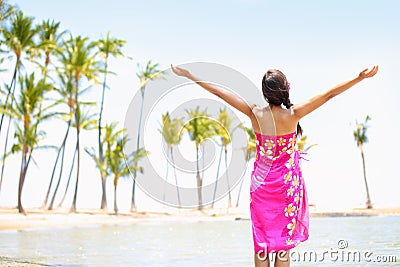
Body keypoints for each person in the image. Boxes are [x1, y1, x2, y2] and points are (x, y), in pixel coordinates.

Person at [171, 64, 378, 267]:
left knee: (261, 243)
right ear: (285, 89)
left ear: (265, 93)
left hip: (261, 186)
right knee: (282, 245)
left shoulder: (255, 113)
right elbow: (328, 95)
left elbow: (221, 94)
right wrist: (358, 78)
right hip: (286, 186)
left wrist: (191, 75)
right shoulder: (292, 115)